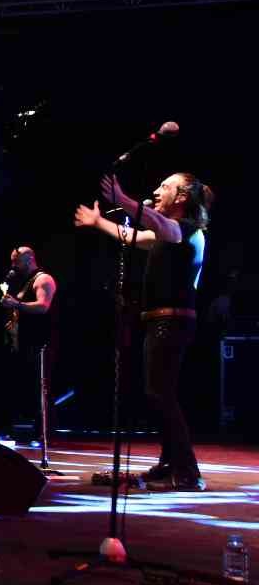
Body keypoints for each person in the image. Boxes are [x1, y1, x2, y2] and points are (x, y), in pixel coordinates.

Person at [81, 170, 215, 490]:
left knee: (161, 394)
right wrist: (99, 222)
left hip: (173, 322)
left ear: (182, 197)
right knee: (159, 394)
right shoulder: (168, 232)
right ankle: (171, 463)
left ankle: (188, 471)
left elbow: (159, 226)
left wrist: (123, 200)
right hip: (160, 322)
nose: (156, 191)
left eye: (164, 187)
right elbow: (135, 237)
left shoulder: (186, 230)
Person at [0, 246, 58, 451]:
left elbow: (43, 306)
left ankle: (41, 434)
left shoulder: (43, 279)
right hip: (21, 344)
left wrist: (17, 305)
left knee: (39, 390)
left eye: (17, 261)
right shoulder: (21, 282)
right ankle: (10, 430)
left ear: (30, 258)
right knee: (14, 387)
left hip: (39, 344)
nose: (14, 265)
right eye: (12, 261)